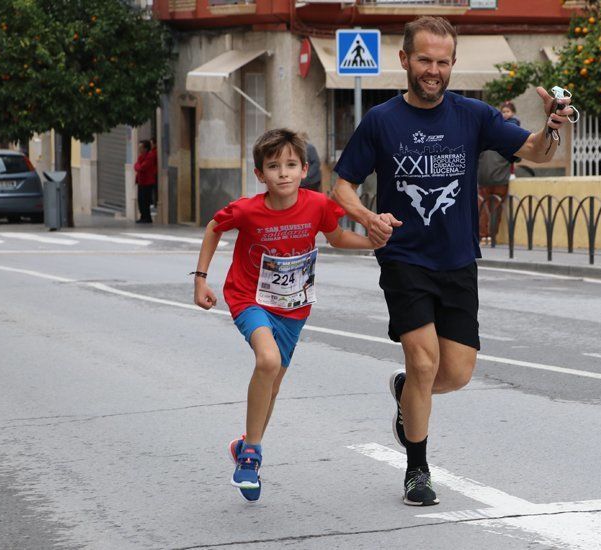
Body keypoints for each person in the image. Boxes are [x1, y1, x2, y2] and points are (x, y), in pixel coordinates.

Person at [331, 16, 575, 506]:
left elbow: (537, 152)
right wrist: (366, 218)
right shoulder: (381, 121)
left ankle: (405, 394)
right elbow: (342, 186)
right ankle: (417, 471)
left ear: (453, 64)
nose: (433, 70)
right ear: (404, 60)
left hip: (459, 257)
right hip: (403, 257)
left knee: (457, 373)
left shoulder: (473, 114)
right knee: (424, 361)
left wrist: (551, 129)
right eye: (424, 60)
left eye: (443, 62)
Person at [192, 129, 374, 502]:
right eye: (273, 166)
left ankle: (246, 442)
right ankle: (251, 455)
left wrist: (375, 242)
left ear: (304, 169)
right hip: (249, 299)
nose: (283, 173)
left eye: (291, 165)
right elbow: (214, 227)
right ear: (260, 174)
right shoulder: (247, 209)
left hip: (293, 308)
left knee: (272, 384)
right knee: (268, 360)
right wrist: (200, 279)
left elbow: (337, 238)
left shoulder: (317, 205)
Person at [477, 149, 511, 245]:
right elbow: (518, 158)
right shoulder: (507, 142)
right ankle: (492, 237)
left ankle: (483, 236)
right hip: (501, 180)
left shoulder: (484, 141)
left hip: (483, 179)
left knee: (483, 207)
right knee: (496, 208)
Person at [133, 140, 157, 223]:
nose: (139, 149)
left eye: (141, 147)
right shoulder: (141, 156)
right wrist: (138, 167)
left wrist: (138, 167)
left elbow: (142, 167)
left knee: (145, 201)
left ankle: (147, 217)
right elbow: (136, 166)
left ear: (146, 148)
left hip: (147, 182)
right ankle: (143, 216)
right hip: (140, 181)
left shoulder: (150, 156)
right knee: (140, 200)